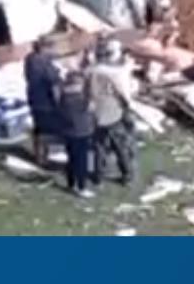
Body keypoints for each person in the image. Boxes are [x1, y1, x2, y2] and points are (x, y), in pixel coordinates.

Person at [88, 38, 137, 186]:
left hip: (96, 113)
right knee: (120, 145)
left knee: (99, 147)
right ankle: (127, 175)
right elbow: (124, 94)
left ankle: (98, 176)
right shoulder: (115, 73)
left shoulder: (92, 70)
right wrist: (128, 105)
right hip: (112, 113)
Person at [59, 58, 98, 198]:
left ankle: (70, 183)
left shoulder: (64, 96)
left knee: (71, 158)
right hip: (82, 131)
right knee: (82, 160)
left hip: (68, 131)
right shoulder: (83, 98)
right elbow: (91, 109)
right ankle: (81, 187)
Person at [24, 42, 64, 167]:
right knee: (47, 132)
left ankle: (38, 155)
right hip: (46, 102)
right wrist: (59, 104)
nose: (55, 51)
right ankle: (43, 157)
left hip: (33, 98)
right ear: (44, 48)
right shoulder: (47, 66)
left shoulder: (30, 59)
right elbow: (54, 87)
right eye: (52, 48)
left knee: (38, 128)